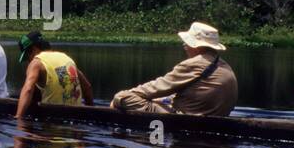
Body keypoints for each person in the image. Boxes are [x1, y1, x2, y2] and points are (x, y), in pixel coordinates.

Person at [110, 21, 238, 116]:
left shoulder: (193, 64)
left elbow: (154, 88)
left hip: (187, 119)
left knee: (123, 97)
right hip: (215, 116)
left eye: (187, 42)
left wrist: (121, 99)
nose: (184, 45)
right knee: (162, 98)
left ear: (197, 47)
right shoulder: (225, 65)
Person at [14, 30, 93, 118]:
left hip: (54, 119)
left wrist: (18, 117)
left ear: (34, 49)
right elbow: (87, 87)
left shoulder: (36, 63)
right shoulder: (66, 58)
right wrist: (90, 112)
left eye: (27, 57)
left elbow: (28, 89)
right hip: (77, 118)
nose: (28, 61)